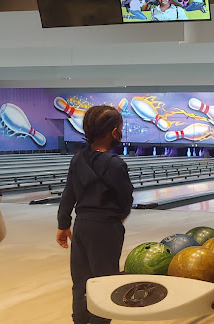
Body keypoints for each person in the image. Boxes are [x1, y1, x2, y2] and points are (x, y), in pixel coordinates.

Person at [56, 106, 134, 324]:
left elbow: (68, 194)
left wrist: (63, 224)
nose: (121, 132)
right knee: (105, 281)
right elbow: (126, 198)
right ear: (113, 132)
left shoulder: (78, 159)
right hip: (106, 227)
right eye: (121, 128)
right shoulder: (116, 164)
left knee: (80, 281)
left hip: (81, 226)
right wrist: (119, 218)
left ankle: (80, 320)